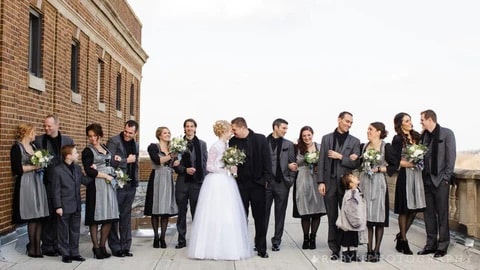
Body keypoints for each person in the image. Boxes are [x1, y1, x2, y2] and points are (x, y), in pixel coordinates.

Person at [188, 120, 253, 260]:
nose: (232, 132)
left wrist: (232, 167)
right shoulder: (216, 146)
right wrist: (225, 169)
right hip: (216, 182)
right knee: (214, 213)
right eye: (230, 130)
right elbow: (209, 166)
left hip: (227, 182)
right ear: (223, 131)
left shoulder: (227, 145)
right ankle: (211, 248)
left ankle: (227, 247)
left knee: (228, 214)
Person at [316, 111, 361, 260]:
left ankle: (349, 248)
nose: (349, 124)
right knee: (332, 218)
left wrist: (341, 156)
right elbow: (321, 161)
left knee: (349, 217)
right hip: (329, 185)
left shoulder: (355, 141)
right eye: (347, 121)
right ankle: (334, 249)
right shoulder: (326, 138)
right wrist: (321, 182)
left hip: (346, 186)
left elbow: (356, 163)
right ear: (339, 120)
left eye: (351, 123)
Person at [229, 117, 273, 258]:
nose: (232, 132)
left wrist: (266, 180)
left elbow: (268, 160)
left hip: (258, 185)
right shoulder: (233, 141)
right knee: (242, 217)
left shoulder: (260, 139)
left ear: (242, 127)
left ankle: (261, 248)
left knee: (260, 218)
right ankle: (242, 247)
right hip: (241, 185)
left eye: (234, 129)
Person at [418, 109, 456, 258]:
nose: (420, 122)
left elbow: (451, 157)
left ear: (429, 119)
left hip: (440, 181)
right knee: (428, 214)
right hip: (426, 180)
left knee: (442, 213)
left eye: (422, 119)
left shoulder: (447, 133)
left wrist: (446, 178)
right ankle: (430, 244)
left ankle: (442, 245)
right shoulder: (423, 137)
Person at [34, 114, 74, 257]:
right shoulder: (39, 140)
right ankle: (47, 245)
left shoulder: (68, 140)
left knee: (61, 217)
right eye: (45, 125)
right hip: (48, 183)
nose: (46, 128)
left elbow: (72, 161)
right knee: (49, 215)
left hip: (64, 184)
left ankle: (58, 245)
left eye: (49, 126)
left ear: (57, 125)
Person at [358, 122, 396, 262]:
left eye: (371, 129)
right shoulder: (363, 146)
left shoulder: (386, 147)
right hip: (365, 183)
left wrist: (379, 169)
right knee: (367, 218)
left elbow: (394, 165)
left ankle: (377, 250)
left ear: (379, 132)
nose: (368, 131)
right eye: (368, 129)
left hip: (379, 183)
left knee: (379, 218)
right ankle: (368, 250)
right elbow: (359, 165)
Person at [11, 123, 49, 258]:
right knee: (32, 216)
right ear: (27, 132)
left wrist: (42, 164)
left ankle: (37, 247)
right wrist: (35, 167)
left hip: (37, 182)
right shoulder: (17, 148)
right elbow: (17, 169)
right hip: (26, 183)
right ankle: (32, 247)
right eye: (33, 132)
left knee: (39, 216)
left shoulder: (34, 147)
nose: (35, 134)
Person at [82, 123, 119, 259]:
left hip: (108, 186)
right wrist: (105, 175)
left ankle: (103, 245)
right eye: (90, 136)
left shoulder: (105, 148)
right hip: (96, 186)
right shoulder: (87, 151)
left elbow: (109, 164)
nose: (92, 139)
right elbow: (89, 171)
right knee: (95, 218)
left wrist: (115, 173)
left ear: (99, 135)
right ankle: (96, 247)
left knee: (108, 216)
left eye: (94, 136)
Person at [392, 112, 426, 255]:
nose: (410, 122)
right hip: (405, 175)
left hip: (417, 176)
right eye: (407, 120)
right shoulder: (398, 139)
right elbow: (395, 161)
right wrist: (410, 163)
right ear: (400, 124)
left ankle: (400, 235)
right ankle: (404, 241)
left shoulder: (417, 136)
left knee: (415, 208)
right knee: (405, 209)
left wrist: (418, 161)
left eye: (410, 120)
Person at [173, 118, 208, 249]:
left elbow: (205, 163)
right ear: (184, 129)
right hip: (182, 183)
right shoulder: (177, 143)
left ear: (195, 128)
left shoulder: (202, 144)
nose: (189, 128)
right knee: (181, 213)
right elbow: (174, 164)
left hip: (197, 183)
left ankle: (197, 239)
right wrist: (185, 170)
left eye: (191, 126)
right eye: (187, 126)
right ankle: (181, 240)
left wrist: (203, 178)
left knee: (197, 213)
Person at [107, 120, 139, 257]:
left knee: (126, 217)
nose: (127, 134)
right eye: (125, 131)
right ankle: (115, 247)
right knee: (115, 216)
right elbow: (110, 161)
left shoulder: (136, 145)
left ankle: (126, 246)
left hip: (131, 185)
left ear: (135, 133)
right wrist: (126, 160)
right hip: (118, 185)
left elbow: (135, 164)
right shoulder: (114, 141)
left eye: (130, 133)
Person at [52, 145, 88, 263]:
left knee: (75, 230)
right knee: (63, 231)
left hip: (76, 205)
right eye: (75, 153)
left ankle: (75, 253)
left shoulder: (77, 168)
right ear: (68, 156)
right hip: (64, 206)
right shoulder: (58, 170)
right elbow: (56, 190)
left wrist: (95, 172)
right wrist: (58, 206)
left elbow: (85, 180)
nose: (77, 154)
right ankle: (65, 254)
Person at [291, 126, 326, 250]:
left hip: (316, 179)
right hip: (302, 179)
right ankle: (305, 238)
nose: (306, 137)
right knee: (305, 211)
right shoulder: (297, 148)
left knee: (316, 211)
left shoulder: (320, 147)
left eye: (309, 135)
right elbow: (293, 162)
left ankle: (313, 237)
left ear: (312, 134)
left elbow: (325, 162)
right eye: (304, 135)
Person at [144, 127, 179, 249]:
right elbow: (157, 160)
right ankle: (155, 237)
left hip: (168, 178)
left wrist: (176, 163)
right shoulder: (153, 147)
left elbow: (173, 165)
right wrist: (171, 156)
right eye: (165, 133)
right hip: (157, 177)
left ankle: (163, 238)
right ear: (159, 135)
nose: (167, 134)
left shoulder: (172, 149)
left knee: (165, 210)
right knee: (155, 209)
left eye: (169, 132)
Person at [265, 118, 296, 252]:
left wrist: (289, 181)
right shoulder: (263, 142)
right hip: (266, 184)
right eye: (283, 128)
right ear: (275, 127)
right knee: (263, 214)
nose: (285, 131)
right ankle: (260, 240)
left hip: (282, 184)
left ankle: (276, 241)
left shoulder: (288, 144)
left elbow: (293, 165)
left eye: (286, 128)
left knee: (280, 214)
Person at [336, 172, 366, 263]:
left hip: (354, 220)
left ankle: (353, 253)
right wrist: (355, 220)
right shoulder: (351, 194)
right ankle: (346, 254)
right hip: (350, 221)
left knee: (354, 237)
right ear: (350, 184)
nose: (356, 177)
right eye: (353, 177)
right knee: (347, 237)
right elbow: (350, 209)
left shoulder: (357, 191)